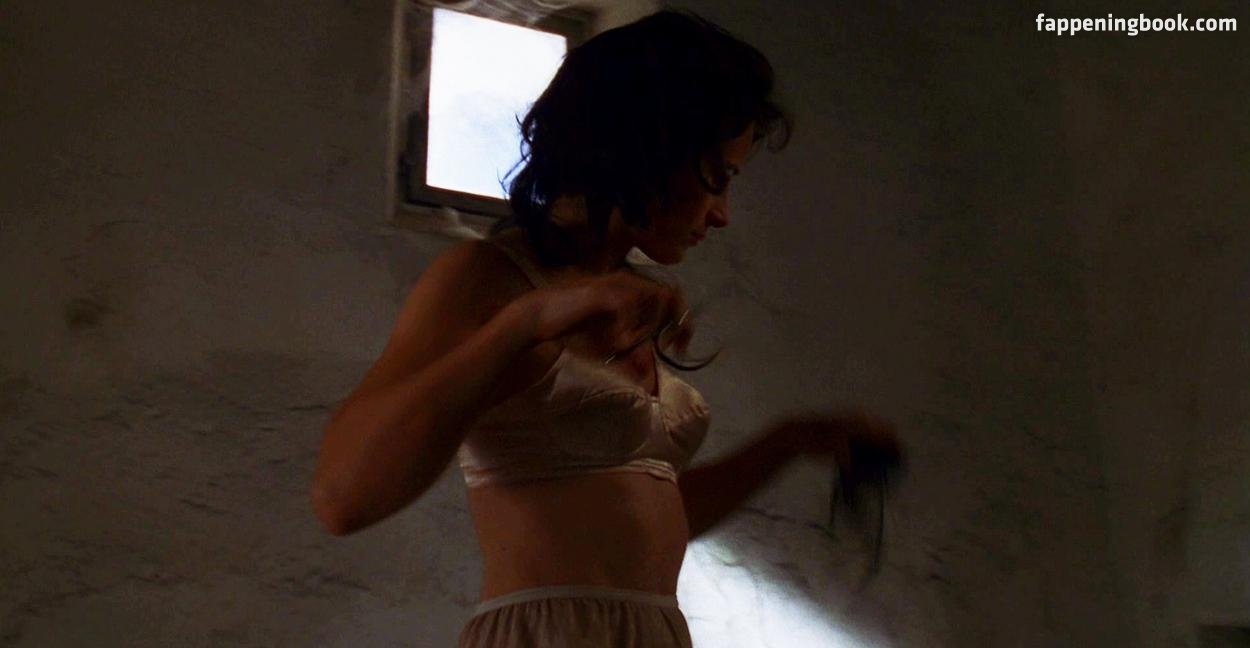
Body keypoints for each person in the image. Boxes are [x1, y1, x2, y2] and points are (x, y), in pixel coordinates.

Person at [311, 9, 904, 647]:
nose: (723, 215)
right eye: (718, 177)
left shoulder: (632, 298)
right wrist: (527, 322)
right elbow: (344, 499)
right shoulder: (488, 278)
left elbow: (633, 526)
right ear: (647, 145)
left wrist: (789, 442)